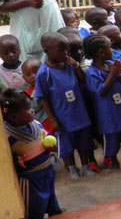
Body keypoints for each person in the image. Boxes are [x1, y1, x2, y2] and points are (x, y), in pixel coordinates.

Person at [34, 32, 95, 179]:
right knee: (67, 145)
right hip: (63, 117)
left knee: (83, 142)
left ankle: (85, 166)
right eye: (60, 50)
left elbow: (82, 81)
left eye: (66, 49)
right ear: (46, 51)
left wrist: (76, 66)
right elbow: (43, 98)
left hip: (79, 112)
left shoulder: (69, 65)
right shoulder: (44, 73)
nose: (65, 53)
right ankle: (73, 169)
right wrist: (53, 119)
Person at [2, 89, 62, 219]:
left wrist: (51, 147)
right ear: (14, 117)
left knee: (51, 196)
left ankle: (54, 211)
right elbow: (10, 158)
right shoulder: (8, 137)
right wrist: (17, 161)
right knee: (34, 206)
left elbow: (46, 138)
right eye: (28, 110)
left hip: (46, 169)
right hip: (30, 178)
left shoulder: (37, 125)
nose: (32, 111)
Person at [84, 34, 121, 170]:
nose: (111, 51)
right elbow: (101, 91)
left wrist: (118, 73)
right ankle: (114, 165)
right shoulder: (92, 72)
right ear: (101, 53)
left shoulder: (110, 65)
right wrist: (112, 74)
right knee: (111, 143)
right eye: (109, 49)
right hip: (108, 115)